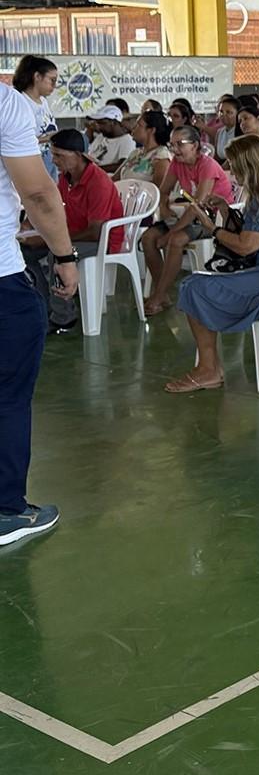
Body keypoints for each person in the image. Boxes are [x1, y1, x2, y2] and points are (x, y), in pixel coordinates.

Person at [165, 136, 259, 393]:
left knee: (193, 286)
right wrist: (226, 210)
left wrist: (212, 228)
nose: (231, 170)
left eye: (234, 164)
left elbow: (247, 245)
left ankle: (208, 368)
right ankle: (208, 366)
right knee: (198, 284)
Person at [0, 81, 72, 545]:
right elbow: (39, 194)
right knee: (7, 395)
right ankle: (6, 511)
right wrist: (64, 257)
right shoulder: (6, 103)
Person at [20, 130, 125, 331]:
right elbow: (50, 207)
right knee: (26, 253)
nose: (54, 160)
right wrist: (30, 226)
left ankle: (64, 317)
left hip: (103, 241)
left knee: (58, 254)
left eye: (59, 155)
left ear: (78, 155)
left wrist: (48, 240)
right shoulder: (66, 178)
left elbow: (95, 232)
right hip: (76, 235)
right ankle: (46, 304)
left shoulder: (98, 182)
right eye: (52, 154)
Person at [141, 125, 234, 316]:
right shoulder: (177, 163)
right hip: (190, 217)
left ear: (195, 145)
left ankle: (157, 297)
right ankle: (163, 293)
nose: (174, 149)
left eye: (180, 144)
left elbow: (198, 205)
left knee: (176, 240)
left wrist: (171, 233)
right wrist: (164, 208)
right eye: (172, 144)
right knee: (148, 238)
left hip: (213, 219)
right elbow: (164, 191)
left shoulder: (207, 165)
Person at [13, 55, 58, 181]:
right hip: (32, 161)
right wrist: (47, 138)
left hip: (49, 158)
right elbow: (17, 139)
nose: (54, 86)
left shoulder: (43, 101)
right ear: (37, 76)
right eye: (52, 80)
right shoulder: (21, 102)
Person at [116, 109, 174, 188]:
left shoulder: (161, 157)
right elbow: (115, 178)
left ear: (151, 130)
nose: (133, 128)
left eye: (138, 125)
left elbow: (157, 190)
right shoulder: (136, 153)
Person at [86, 105, 137, 170]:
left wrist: (94, 170)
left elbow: (123, 166)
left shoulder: (127, 140)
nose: (98, 127)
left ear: (114, 122)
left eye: (102, 123)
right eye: (97, 123)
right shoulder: (101, 137)